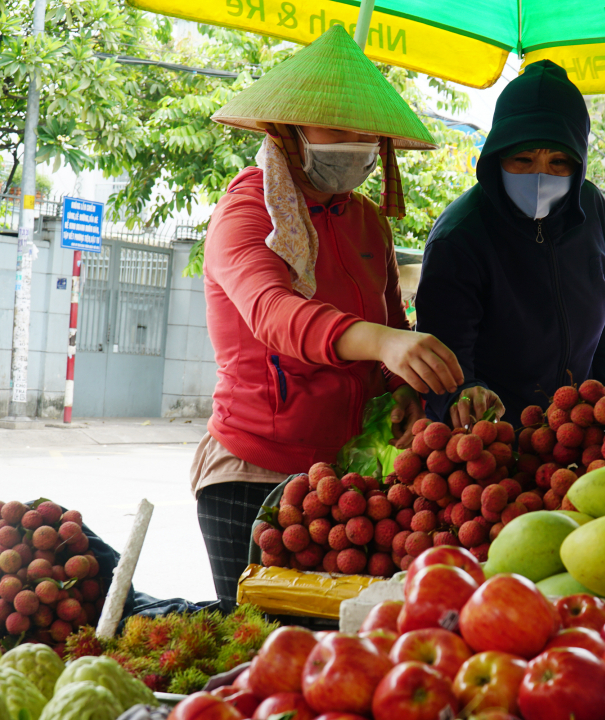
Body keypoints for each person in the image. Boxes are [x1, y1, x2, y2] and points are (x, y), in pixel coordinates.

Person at [191, 27, 462, 612]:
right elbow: (272, 312)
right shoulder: (246, 209)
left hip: (344, 477)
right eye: (339, 130)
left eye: (367, 136)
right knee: (257, 648)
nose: (358, 146)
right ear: (289, 131)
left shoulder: (368, 222)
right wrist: (380, 342)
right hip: (251, 468)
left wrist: (401, 388)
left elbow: (391, 320)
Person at [415, 60, 605, 428]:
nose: (540, 175)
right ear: (498, 156)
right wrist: (466, 395)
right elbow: (444, 353)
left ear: (579, 162)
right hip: (490, 440)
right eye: (523, 159)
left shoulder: (594, 212)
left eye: (559, 161)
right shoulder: (460, 236)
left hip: (578, 432)